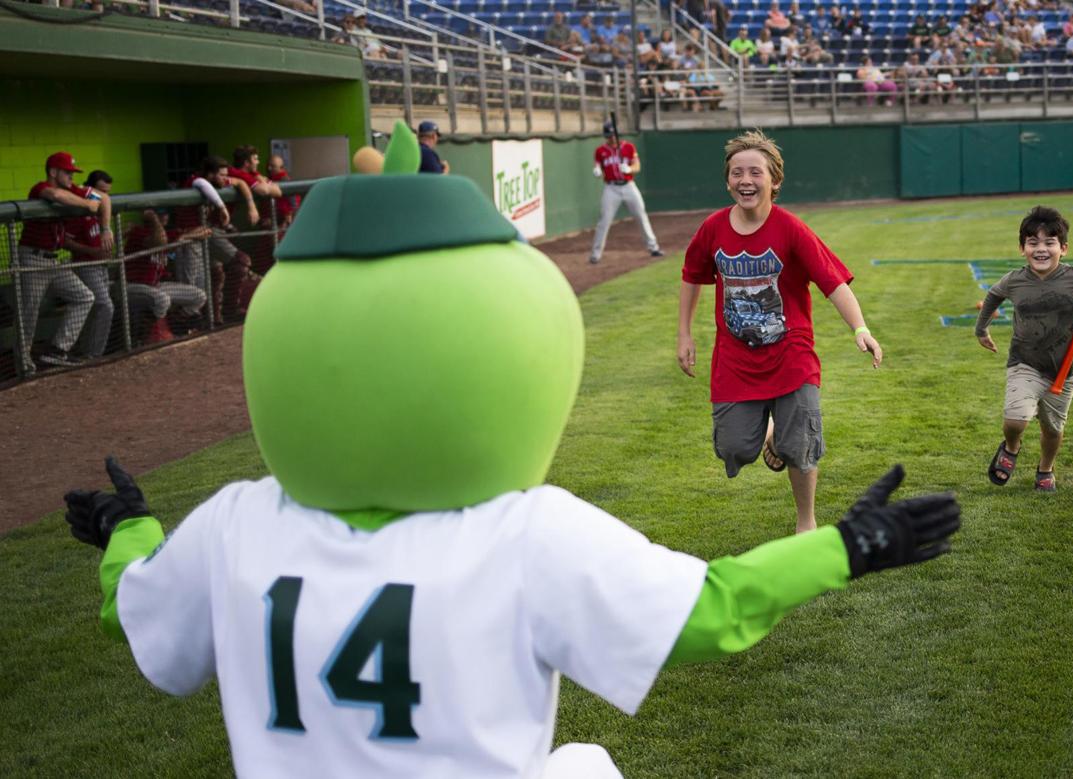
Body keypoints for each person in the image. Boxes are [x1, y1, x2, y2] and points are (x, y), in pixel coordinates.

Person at [64, 128, 959, 777]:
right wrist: (844, 547)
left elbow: (132, 614)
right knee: (585, 763)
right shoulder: (523, 534)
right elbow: (713, 611)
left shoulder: (234, 525)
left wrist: (128, 530)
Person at [677, 131, 883, 534]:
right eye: (737, 172)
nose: (745, 180)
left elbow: (833, 283)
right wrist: (684, 334)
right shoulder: (713, 228)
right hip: (735, 360)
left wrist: (860, 328)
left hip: (791, 354)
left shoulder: (791, 229)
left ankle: (806, 522)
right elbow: (691, 275)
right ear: (728, 180)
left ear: (774, 181)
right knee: (733, 448)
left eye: (756, 172)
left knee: (800, 447)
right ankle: (770, 432)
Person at [977, 206, 1073, 492]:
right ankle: (1011, 446)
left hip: (1063, 371)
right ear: (1022, 249)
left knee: (1052, 429)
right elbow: (993, 296)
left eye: (1049, 242)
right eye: (1033, 242)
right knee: (1015, 419)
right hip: (1025, 363)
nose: (1041, 249)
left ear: (1063, 248)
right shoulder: (1015, 280)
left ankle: (1045, 468)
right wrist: (981, 329)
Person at [13, 151, 111, 372]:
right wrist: (87, 204)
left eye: (72, 173)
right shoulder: (40, 188)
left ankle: (57, 350)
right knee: (28, 313)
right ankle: (23, 366)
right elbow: (55, 195)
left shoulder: (72, 189)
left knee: (84, 297)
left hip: (53, 260)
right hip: (32, 258)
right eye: (67, 172)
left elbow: (103, 198)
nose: (71, 176)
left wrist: (105, 228)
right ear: (53, 172)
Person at [173, 155, 258, 325]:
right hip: (188, 237)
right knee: (194, 286)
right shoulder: (196, 181)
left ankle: (218, 316)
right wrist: (221, 207)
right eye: (222, 175)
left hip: (204, 233)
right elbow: (201, 183)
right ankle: (190, 323)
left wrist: (250, 206)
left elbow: (240, 182)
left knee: (212, 277)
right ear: (210, 174)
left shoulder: (217, 182)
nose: (226, 179)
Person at [122, 209, 210, 345]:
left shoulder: (168, 234)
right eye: (161, 214)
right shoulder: (139, 232)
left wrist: (183, 237)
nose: (165, 216)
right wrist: (154, 220)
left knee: (199, 296)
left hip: (155, 286)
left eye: (166, 213)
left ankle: (174, 322)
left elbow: (206, 231)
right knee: (162, 299)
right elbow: (159, 241)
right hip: (131, 287)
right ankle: (145, 339)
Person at [588, 122, 663, 264]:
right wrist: (597, 171)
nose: (611, 138)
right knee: (604, 220)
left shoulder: (628, 147)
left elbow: (637, 165)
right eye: (608, 136)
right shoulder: (600, 151)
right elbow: (598, 166)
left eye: (612, 135)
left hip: (628, 186)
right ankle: (595, 254)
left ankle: (653, 247)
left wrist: (629, 169)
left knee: (641, 215)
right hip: (611, 188)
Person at [63, 170, 116, 361]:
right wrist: (91, 251)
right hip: (84, 264)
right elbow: (65, 242)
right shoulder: (80, 210)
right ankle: (93, 354)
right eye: (101, 190)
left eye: (107, 191)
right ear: (90, 188)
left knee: (96, 308)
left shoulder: (104, 211)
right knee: (104, 305)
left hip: (101, 265)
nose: (104, 195)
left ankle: (86, 350)